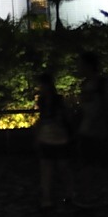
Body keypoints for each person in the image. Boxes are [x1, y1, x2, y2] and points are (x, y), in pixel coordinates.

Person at [74, 51, 108, 206]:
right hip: (92, 129)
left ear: (88, 65)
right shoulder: (93, 84)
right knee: (100, 164)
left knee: (95, 164)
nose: (78, 67)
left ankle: (91, 195)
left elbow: (103, 107)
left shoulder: (98, 84)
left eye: (80, 64)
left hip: (97, 129)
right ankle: (105, 194)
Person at [34, 74, 75, 208]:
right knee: (50, 168)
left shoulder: (52, 101)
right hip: (51, 137)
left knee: (57, 168)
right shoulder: (50, 100)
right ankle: (51, 197)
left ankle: (56, 196)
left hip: (56, 137)